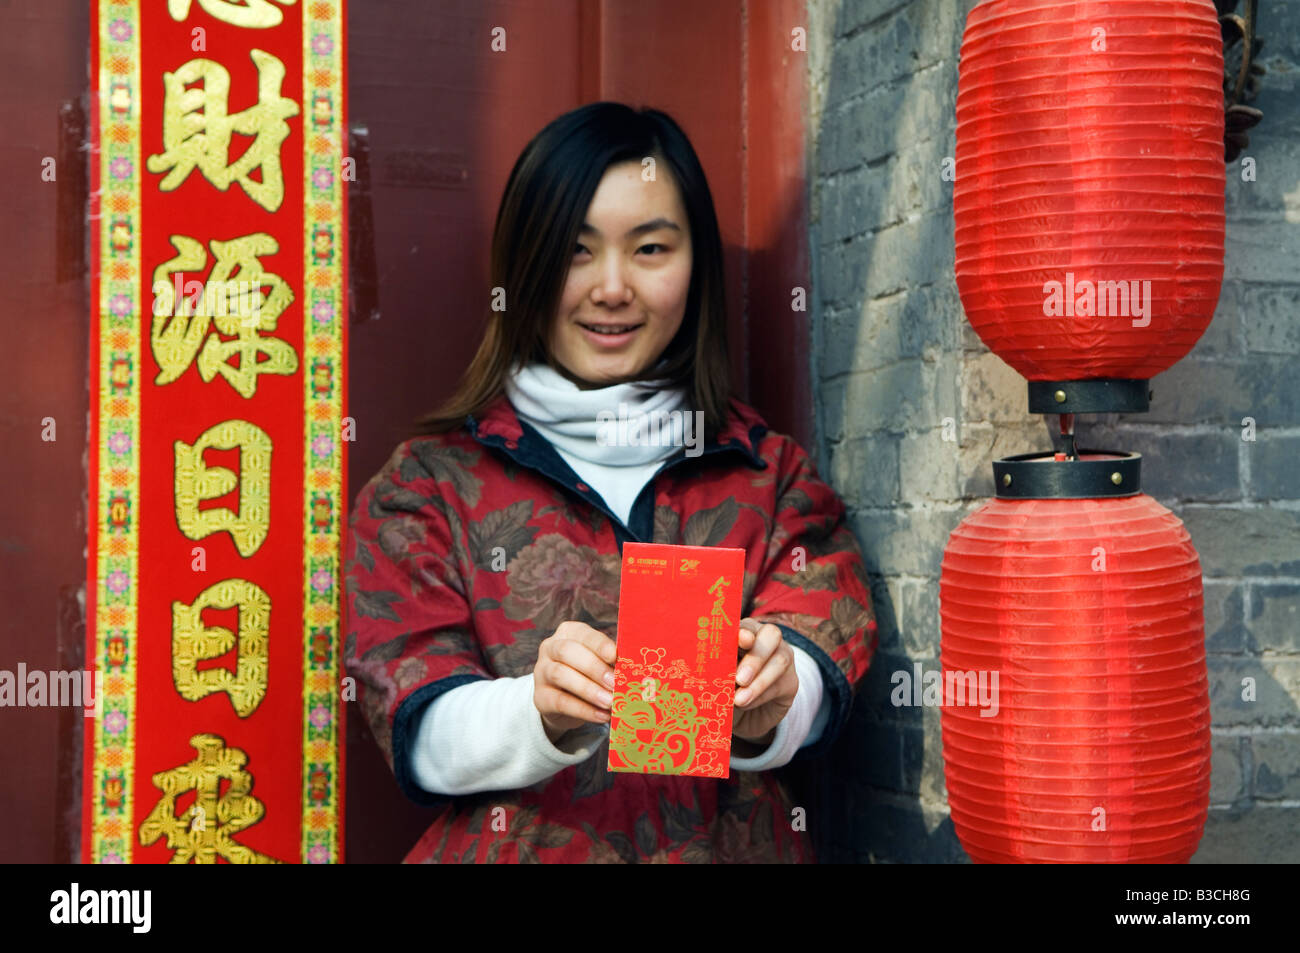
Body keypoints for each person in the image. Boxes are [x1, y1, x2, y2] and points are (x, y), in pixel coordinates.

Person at [344, 101, 878, 863]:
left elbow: (824, 648)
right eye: (576, 251)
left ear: (696, 266)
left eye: (651, 248)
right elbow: (417, 724)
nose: (613, 287)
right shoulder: (428, 489)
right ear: (523, 268)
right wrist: (536, 709)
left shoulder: (768, 476)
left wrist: (775, 691)